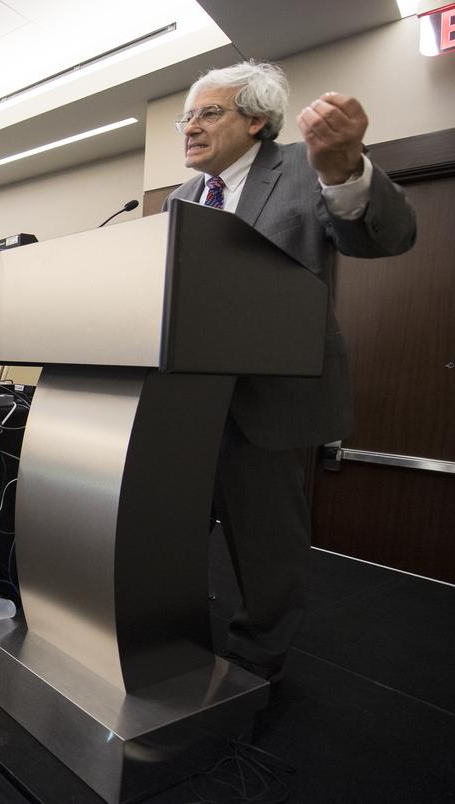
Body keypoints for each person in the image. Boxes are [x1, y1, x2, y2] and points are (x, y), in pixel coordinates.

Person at [165, 61, 417, 680]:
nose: (190, 127)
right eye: (186, 117)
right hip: (182, 398)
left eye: (208, 113)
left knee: (266, 546)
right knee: (169, 531)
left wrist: (345, 169)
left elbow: (386, 237)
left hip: (266, 397)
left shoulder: (305, 170)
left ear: (257, 121)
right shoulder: (180, 198)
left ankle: (257, 665)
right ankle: (171, 642)